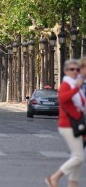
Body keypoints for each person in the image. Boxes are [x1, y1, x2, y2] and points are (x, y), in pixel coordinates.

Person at [46, 59, 84, 187]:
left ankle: (72, 184)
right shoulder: (67, 85)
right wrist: (77, 87)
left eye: (77, 69)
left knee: (77, 157)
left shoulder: (74, 84)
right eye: (71, 69)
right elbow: (63, 98)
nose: (75, 72)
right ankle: (54, 177)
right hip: (68, 124)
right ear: (65, 71)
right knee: (79, 157)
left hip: (76, 124)